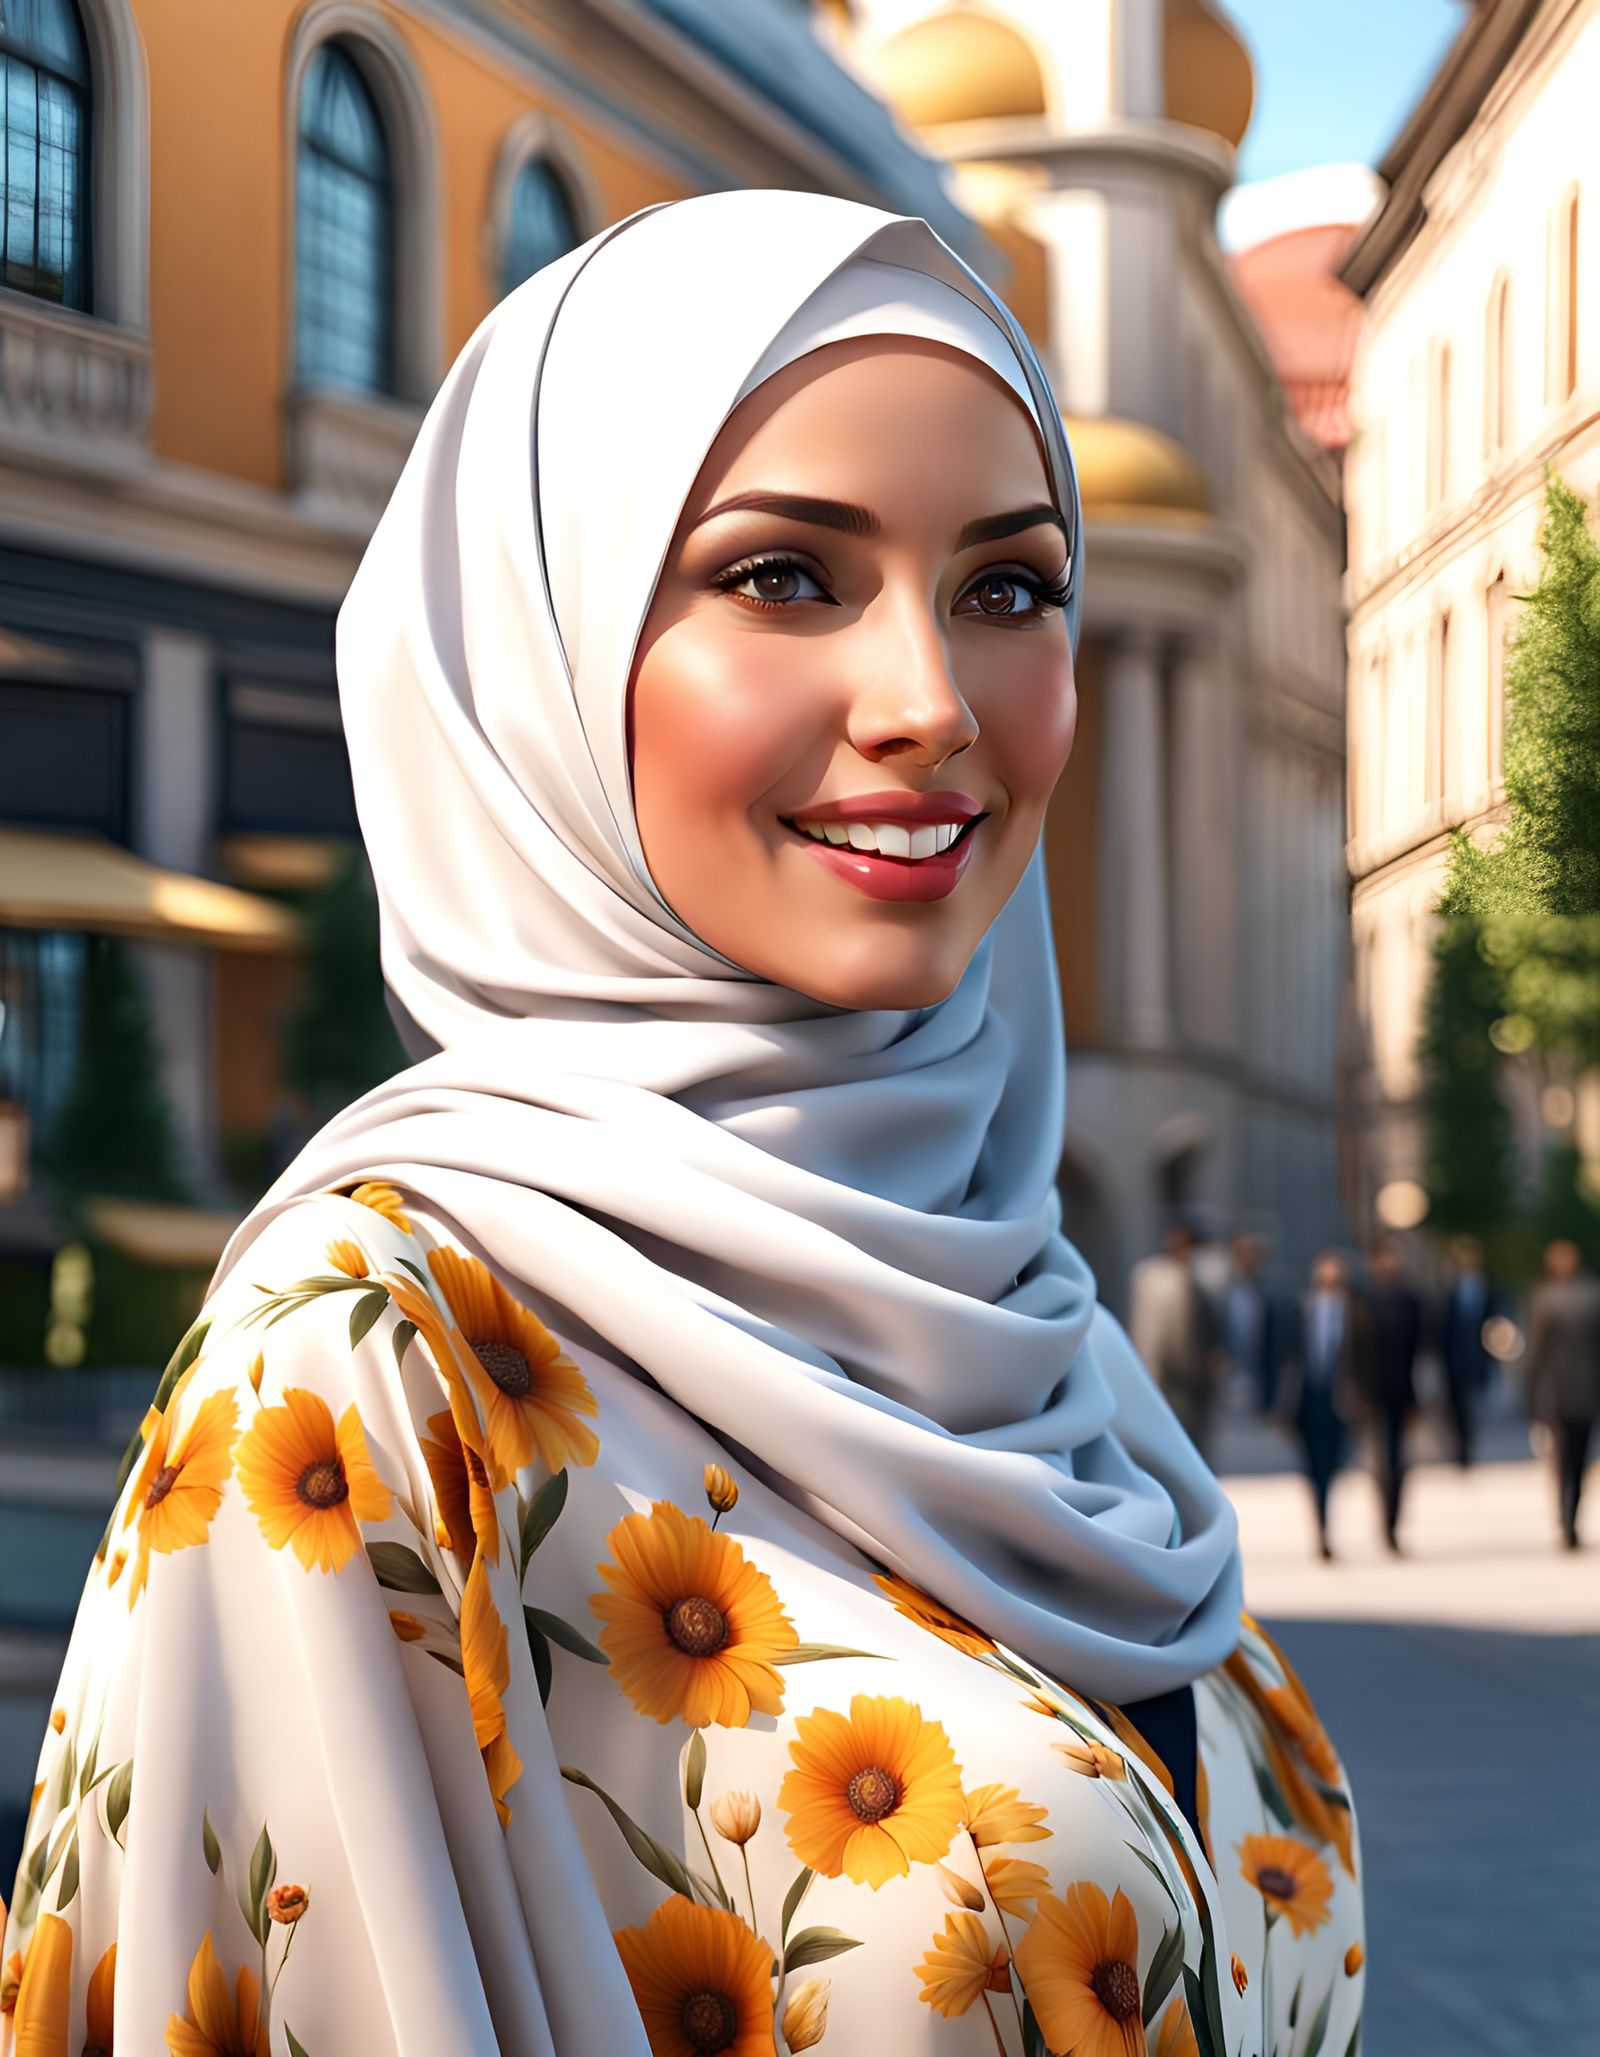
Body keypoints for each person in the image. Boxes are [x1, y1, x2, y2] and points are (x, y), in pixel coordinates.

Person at [1, 194, 1362, 2056]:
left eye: (1010, 585)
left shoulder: (1032, 1316)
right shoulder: (364, 1365)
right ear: (535, 652)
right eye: (787, 575)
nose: (933, 704)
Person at [1279, 1250, 1363, 1560]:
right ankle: (1321, 1528)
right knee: (1313, 1468)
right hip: (1308, 1400)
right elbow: (1287, 1359)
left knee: (1334, 1465)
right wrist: (1283, 1406)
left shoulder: (1355, 1311)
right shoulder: (1302, 1308)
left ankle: (1328, 1524)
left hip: (1341, 1401)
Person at [1523, 1238, 1600, 1549]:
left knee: (1577, 1457)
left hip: (1583, 1389)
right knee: (1564, 1456)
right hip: (1558, 1391)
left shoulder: (1590, 1295)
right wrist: (1531, 1389)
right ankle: (1565, 1516)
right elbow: (1537, 1351)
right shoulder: (1546, 1298)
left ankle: (1571, 1515)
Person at [1129, 1220, 1223, 1463]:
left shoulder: (1204, 1279)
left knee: (1196, 1450)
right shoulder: (1152, 1277)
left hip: (1196, 1384)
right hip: (1164, 1381)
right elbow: (1147, 1331)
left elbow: (1214, 1328)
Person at [1354, 1238, 1422, 1551]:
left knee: (1398, 1460)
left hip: (1401, 1392)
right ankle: (1383, 1518)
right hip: (1371, 1393)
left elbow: (1419, 1353)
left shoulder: (1409, 1301)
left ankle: (1393, 1522)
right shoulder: (1362, 1301)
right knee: (1379, 1460)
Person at [1435, 1234, 1502, 1467]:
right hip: (1454, 1360)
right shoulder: (1449, 1290)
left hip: (1478, 1358)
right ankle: (1461, 1450)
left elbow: (1496, 1323)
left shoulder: (1489, 1288)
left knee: (1473, 1406)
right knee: (1457, 1409)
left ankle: (1469, 1446)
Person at [1221, 1230, 1285, 1414]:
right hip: (1229, 1387)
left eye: (1251, 1253)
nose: (1246, 1258)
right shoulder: (1222, 1291)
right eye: (1241, 1252)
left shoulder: (1273, 1292)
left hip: (1263, 1386)